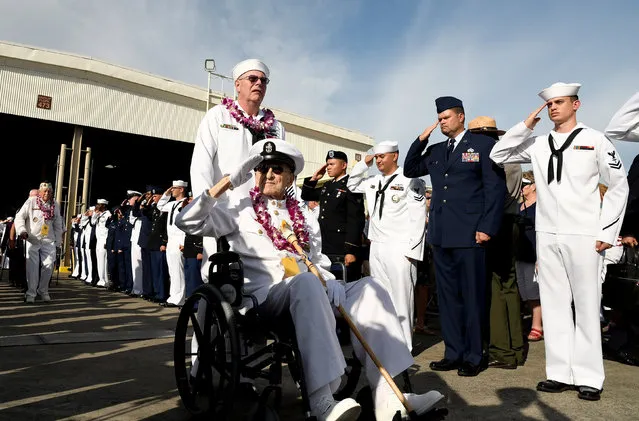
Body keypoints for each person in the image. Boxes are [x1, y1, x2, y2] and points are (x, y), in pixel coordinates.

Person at [176, 138, 444, 421]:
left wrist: (329, 280)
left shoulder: (304, 213)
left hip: (309, 288)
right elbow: (188, 222)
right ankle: (322, 401)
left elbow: (317, 260)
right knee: (307, 284)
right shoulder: (238, 208)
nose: (268, 174)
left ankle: (389, 397)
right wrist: (228, 181)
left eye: (277, 169)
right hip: (264, 296)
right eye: (261, 168)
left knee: (369, 287)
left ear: (291, 177)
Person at [489, 82, 629, 401]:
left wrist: (606, 232)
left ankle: (590, 377)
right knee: (553, 306)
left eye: (560, 102)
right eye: (549, 104)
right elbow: (499, 153)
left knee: (586, 304)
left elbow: (618, 185)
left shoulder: (594, 139)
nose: (553, 108)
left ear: (576, 105)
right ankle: (559, 373)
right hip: (547, 234)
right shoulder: (538, 143)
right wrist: (526, 125)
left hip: (584, 234)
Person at [404, 98, 506, 377]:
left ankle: (474, 355)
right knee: (448, 298)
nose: (442, 122)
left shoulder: (483, 146)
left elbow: (494, 190)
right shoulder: (436, 150)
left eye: (446, 117)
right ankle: (453, 352)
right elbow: (410, 169)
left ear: (461, 117)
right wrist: (421, 139)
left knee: (473, 297)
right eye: (439, 118)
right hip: (441, 234)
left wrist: (487, 227)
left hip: (472, 234)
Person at [190, 59, 286, 281]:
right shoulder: (218, 116)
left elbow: (285, 172)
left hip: (265, 216)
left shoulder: (275, 126)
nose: (258, 83)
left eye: (263, 80)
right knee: (218, 280)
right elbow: (201, 166)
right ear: (237, 84)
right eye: (252, 79)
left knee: (269, 276)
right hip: (226, 211)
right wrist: (205, 210)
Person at [347, 141, 427, 351]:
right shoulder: (373, 181)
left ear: (395, 156)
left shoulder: (411, 181)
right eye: (377, 157)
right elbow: (352, 184)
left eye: (383, 156)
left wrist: (412, 252)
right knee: (381, 297)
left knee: (402, 297)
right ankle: (387, 342)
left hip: (400, 247)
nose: (379, 160)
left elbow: (418, 218)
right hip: (378, 247)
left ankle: (405, 346)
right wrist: (363, 164)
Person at [467, 116, 525, 370]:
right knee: (509, 286)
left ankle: (500, 350)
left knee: (494, 286)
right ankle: (515, 349)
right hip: (510, 221)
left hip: (494, 223)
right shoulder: (511, 156)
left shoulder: (494, 157)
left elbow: (492, 196)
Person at [302, 150, 365, 281]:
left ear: (343, 165)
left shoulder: (351, 185)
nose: (328, 167)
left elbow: (355, 219)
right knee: (327, 284)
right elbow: (306, 195)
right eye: (327, 164)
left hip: (341, 247)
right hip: (325, 244)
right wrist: (314, 179)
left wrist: (351, 250)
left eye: (332, 164)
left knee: (345, 285)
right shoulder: (328, 185)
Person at [14, 182, 64, 303]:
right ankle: (31, 293)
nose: (47, 193)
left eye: (49, 192)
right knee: (32, 267)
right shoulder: (31, 201)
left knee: (49, 265)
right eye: (44, 191)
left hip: (48, 239)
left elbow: (58, 224)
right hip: (33, 239)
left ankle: (43, 290)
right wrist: (22, 230)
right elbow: (19, 217)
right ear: (40, 192)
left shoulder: (55, 204)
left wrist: (58, 242)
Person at [514, 172, 542, 342]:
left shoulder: (541, 206)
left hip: (534, 253)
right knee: (524, 290)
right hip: (520, 253)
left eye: (524, 184)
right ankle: (533, 322)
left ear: (533, 185)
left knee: (534, 291)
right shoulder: (519, 206)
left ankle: (537, 326)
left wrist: (541, 257)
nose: (521, 188)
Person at [158, 180, 189, 307]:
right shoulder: (171, 204)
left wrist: (183, 242)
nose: (172, 190)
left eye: (174, 188)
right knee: (172, 270)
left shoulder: (187, 202)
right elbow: (159, 206)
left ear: (181, 189)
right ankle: (173, 297)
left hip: (179, 238)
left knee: (178, 270)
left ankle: (180, 298)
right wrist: (166, 194)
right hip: (171, 239)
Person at [93, 199, 111, 287]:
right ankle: (101, 279)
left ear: (104, 205)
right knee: (100, 260)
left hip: (104, 239)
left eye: (100, 205)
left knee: (104, 260)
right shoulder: (98, 214)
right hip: (99, 240)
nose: (98, 206)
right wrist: (95, 213)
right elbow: (93, 222)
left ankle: (104, 280)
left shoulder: (108, 214)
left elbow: (108, 229)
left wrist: (107, 241)